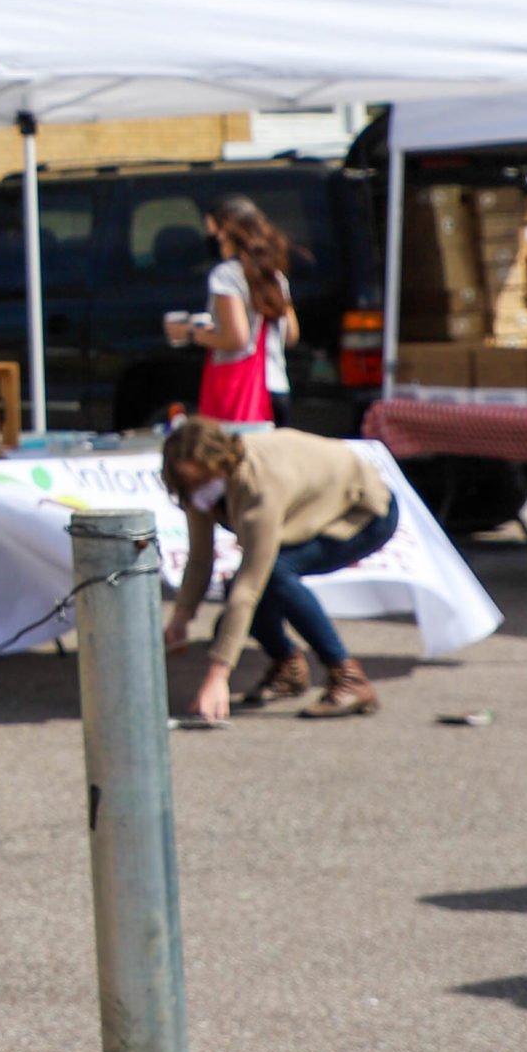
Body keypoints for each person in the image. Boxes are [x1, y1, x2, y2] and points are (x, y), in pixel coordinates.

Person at [160, 417, 395, 721]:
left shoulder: (259, 485)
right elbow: (201, 557)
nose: (197, 490)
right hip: (313, 505)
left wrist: (218, 676)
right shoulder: (200, 486)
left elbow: (250, 587)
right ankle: (288, 667)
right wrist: (182, 614)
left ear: (218, 464)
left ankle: (349, 677)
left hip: (363, 509)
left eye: (201, 480)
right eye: (188, 484)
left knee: (273, 574)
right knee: (240, 591)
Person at [165, 196, 298, 427]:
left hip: (241, 392)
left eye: (214, 233)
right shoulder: (274, 275)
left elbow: (237, 338)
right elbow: (291, 335)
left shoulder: (226, 275)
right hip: (277, 387)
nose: (213, 241)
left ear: (226, 233)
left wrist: (190, 333)